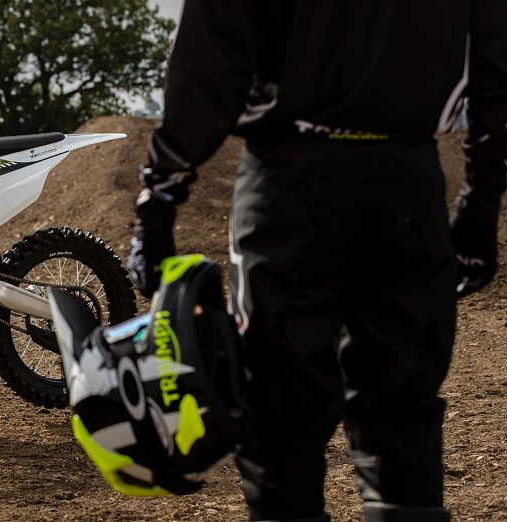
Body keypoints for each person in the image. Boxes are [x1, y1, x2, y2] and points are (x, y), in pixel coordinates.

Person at [126, 1, 506, 521]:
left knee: (279, 407)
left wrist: (160, 197)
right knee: (402, 405)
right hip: (405, 183)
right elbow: (495, 63)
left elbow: (213, 57)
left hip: (290, 181)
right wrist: (480, 202)